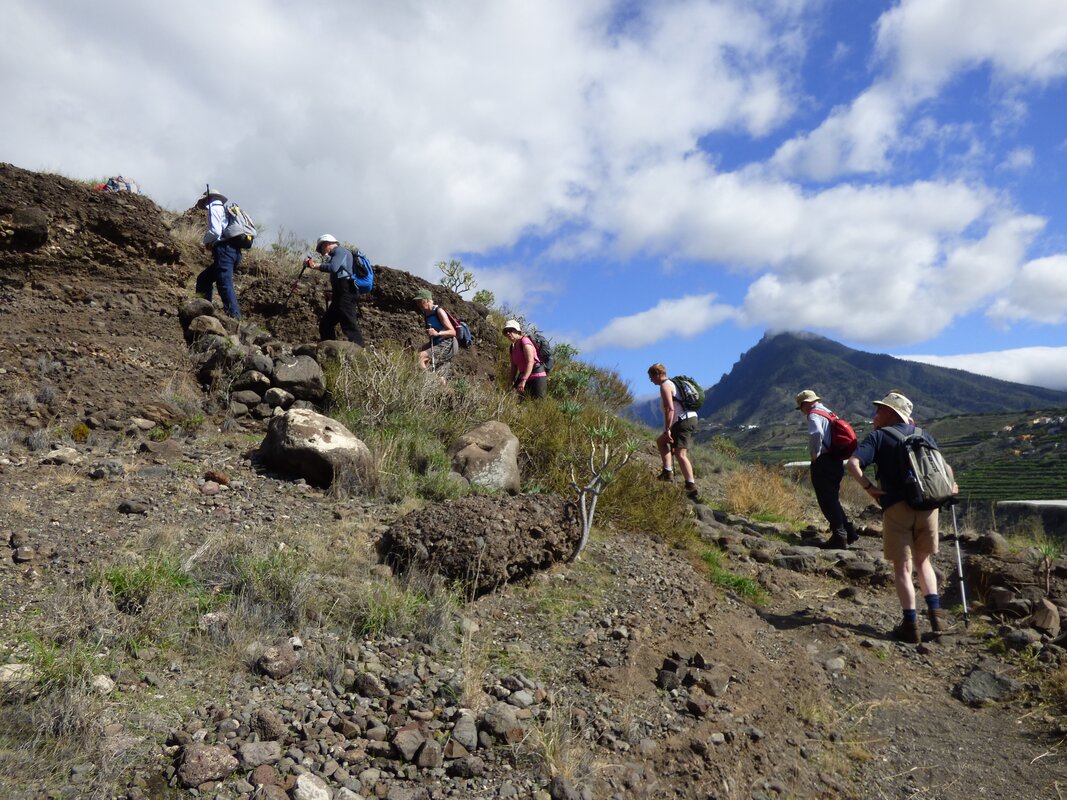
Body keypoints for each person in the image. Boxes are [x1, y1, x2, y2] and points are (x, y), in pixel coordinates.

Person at [846, 391, 957, 643]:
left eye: (880, 409)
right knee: (924, 561)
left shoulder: (878, 437)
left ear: (890, 412)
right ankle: (937, 617)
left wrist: (868, 487)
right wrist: (950, 487)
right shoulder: (924, 435)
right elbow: (946, 468)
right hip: (928, 506)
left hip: (896, 507)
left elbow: (853, 464)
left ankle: (910, 625)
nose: (876, 414)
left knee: (903, 568)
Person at [795, 389, 857, 549]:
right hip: (836, 460)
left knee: (826, 501)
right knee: (833, 499)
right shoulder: (829, 413)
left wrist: (814, 454)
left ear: (806, 404)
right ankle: (849, 532)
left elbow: (816, 432)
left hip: (824, 461)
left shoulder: (813, 415)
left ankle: (839, 537)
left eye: (800, 407)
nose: (801, 411)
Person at [647, 363, 698, 496]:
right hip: (688, 418)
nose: (651, 380)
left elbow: (670, 409)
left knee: (681, 454)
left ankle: (691, 487)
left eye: (651, 377)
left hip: (682, 420)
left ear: (658, 374)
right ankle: (667, 472)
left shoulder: (665, 386)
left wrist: (667, 429)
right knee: (661, 442)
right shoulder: (672, 383)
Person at [194, 188, 242, 319]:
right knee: (204, 279)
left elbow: (215, 231)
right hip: (234, 252)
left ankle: (234, 317)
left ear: (208, 199)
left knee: (224, 283)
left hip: (224, 251)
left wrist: (205, 241)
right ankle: (203, 310)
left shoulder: (214, 208)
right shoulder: (226, 210)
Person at [310, 234, 365, 345]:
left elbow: (333, 268)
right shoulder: (337, 254)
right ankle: (328, 349)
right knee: (326, 323)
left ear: (326, 244)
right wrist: (333, 293)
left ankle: (360, 351)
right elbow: (340, 274)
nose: (322, 252)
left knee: (348, 324)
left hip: (346, 294)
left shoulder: (340, 251)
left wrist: (313, 265)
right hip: (341, 294)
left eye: (321, 249)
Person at [414, 289, 458, 377]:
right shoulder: (426, 314)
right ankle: (437, 382)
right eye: (417, 302)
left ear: (427, 300)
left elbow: (453, 332)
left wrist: (438, 333)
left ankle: (429, 381)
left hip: (448, 343)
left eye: (420, 301)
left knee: (420, 357)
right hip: (437, 343)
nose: (418, 304)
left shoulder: (439, 311)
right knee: (416, 354)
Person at [503, 320, 547, 399]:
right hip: (523, 376)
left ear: (517, 331)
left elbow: (530, 362)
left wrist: (523, 380)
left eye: (510, 330)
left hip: (536, 376)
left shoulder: (525, 341)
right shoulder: (512, 347)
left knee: (537, 403)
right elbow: (514, 367)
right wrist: (510, 382)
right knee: (514, 400)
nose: (508, 333)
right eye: (506, 331)